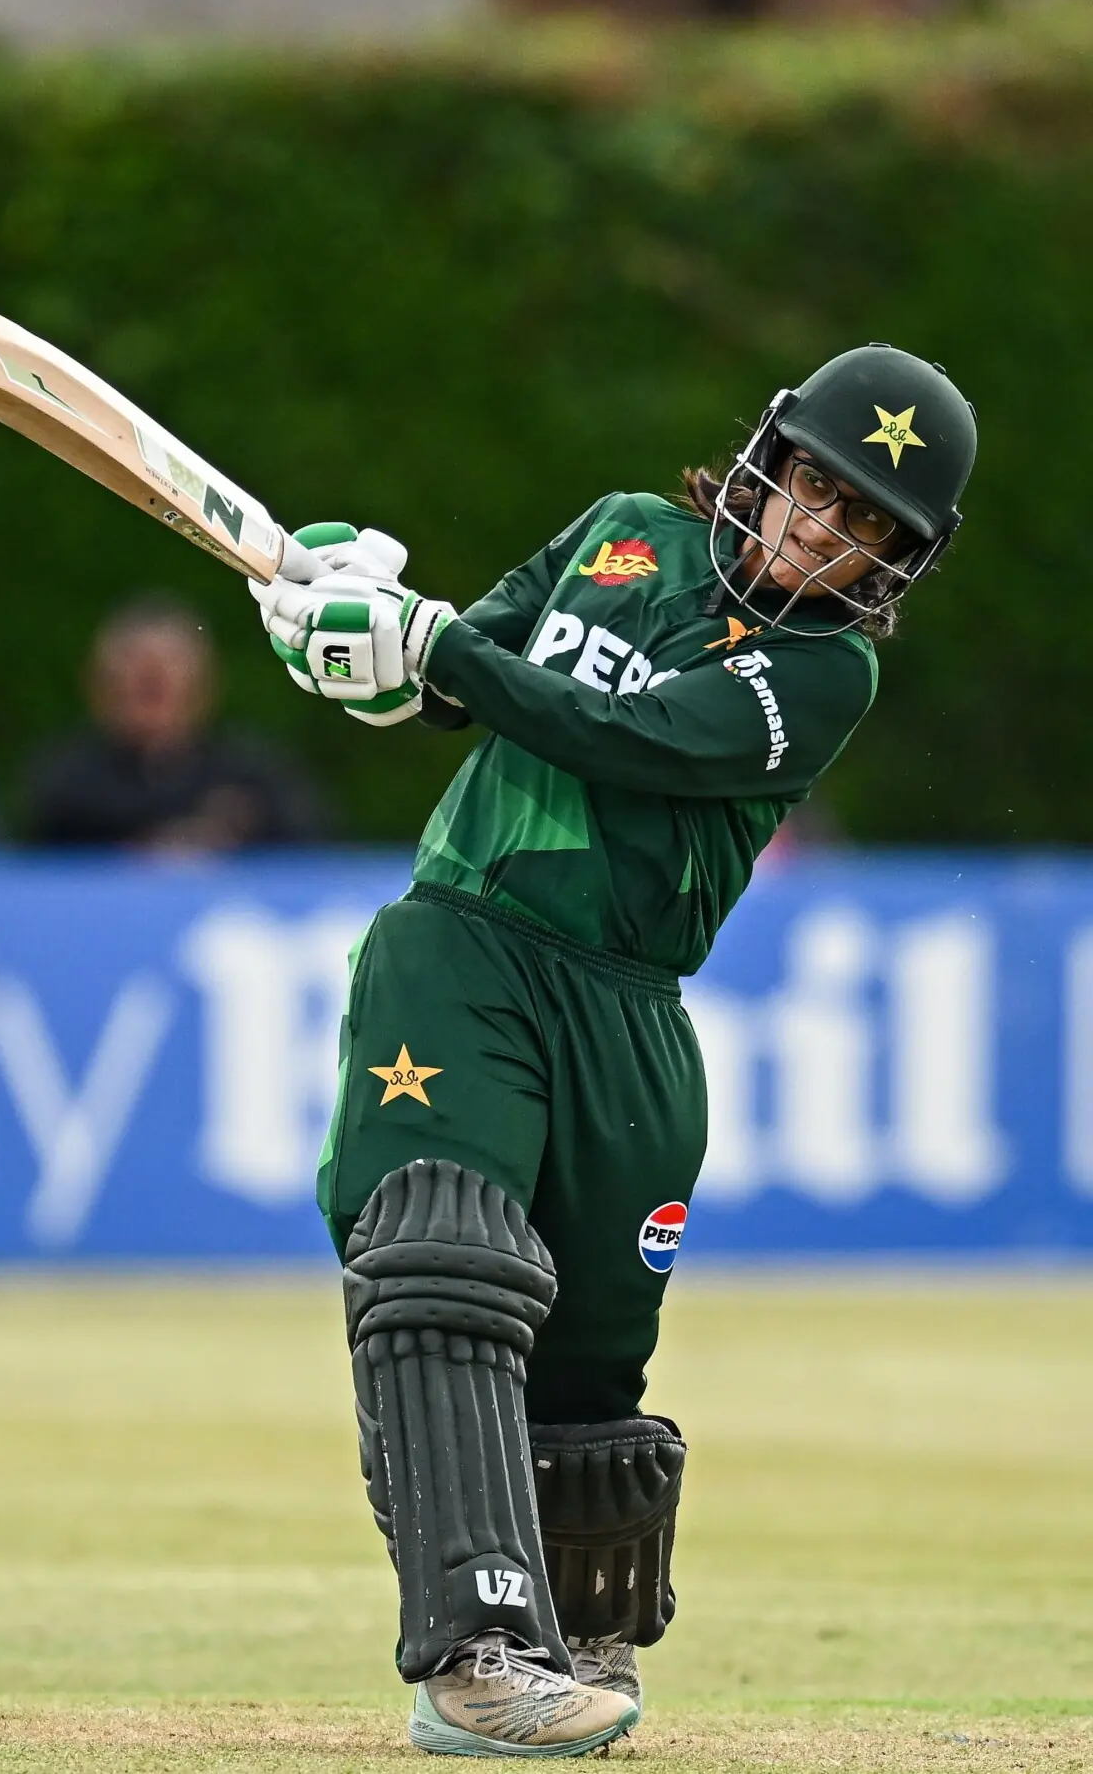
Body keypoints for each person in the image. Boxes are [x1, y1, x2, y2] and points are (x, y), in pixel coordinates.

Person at [251, 343, 974, 1757]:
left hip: (634, 1013)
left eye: (864, 524)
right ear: (770, 461)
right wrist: (347, 621)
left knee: (588, 1372)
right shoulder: (621, 531)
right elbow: (453, 682)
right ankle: (475, 1650)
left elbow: (621, 731)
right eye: (818, 487)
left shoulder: (822, 676)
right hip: (467, 938)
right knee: (446, 1257)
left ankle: (581, 1632)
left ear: (893, 562)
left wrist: (426, 636)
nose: (821, 528)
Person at [24, 595, 322, 852]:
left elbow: (312, 857)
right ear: (99, 684)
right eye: (133, 662)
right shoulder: (66, 779)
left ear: (204, 683)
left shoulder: (254, 775)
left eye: (171, 662)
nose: (152, 672)